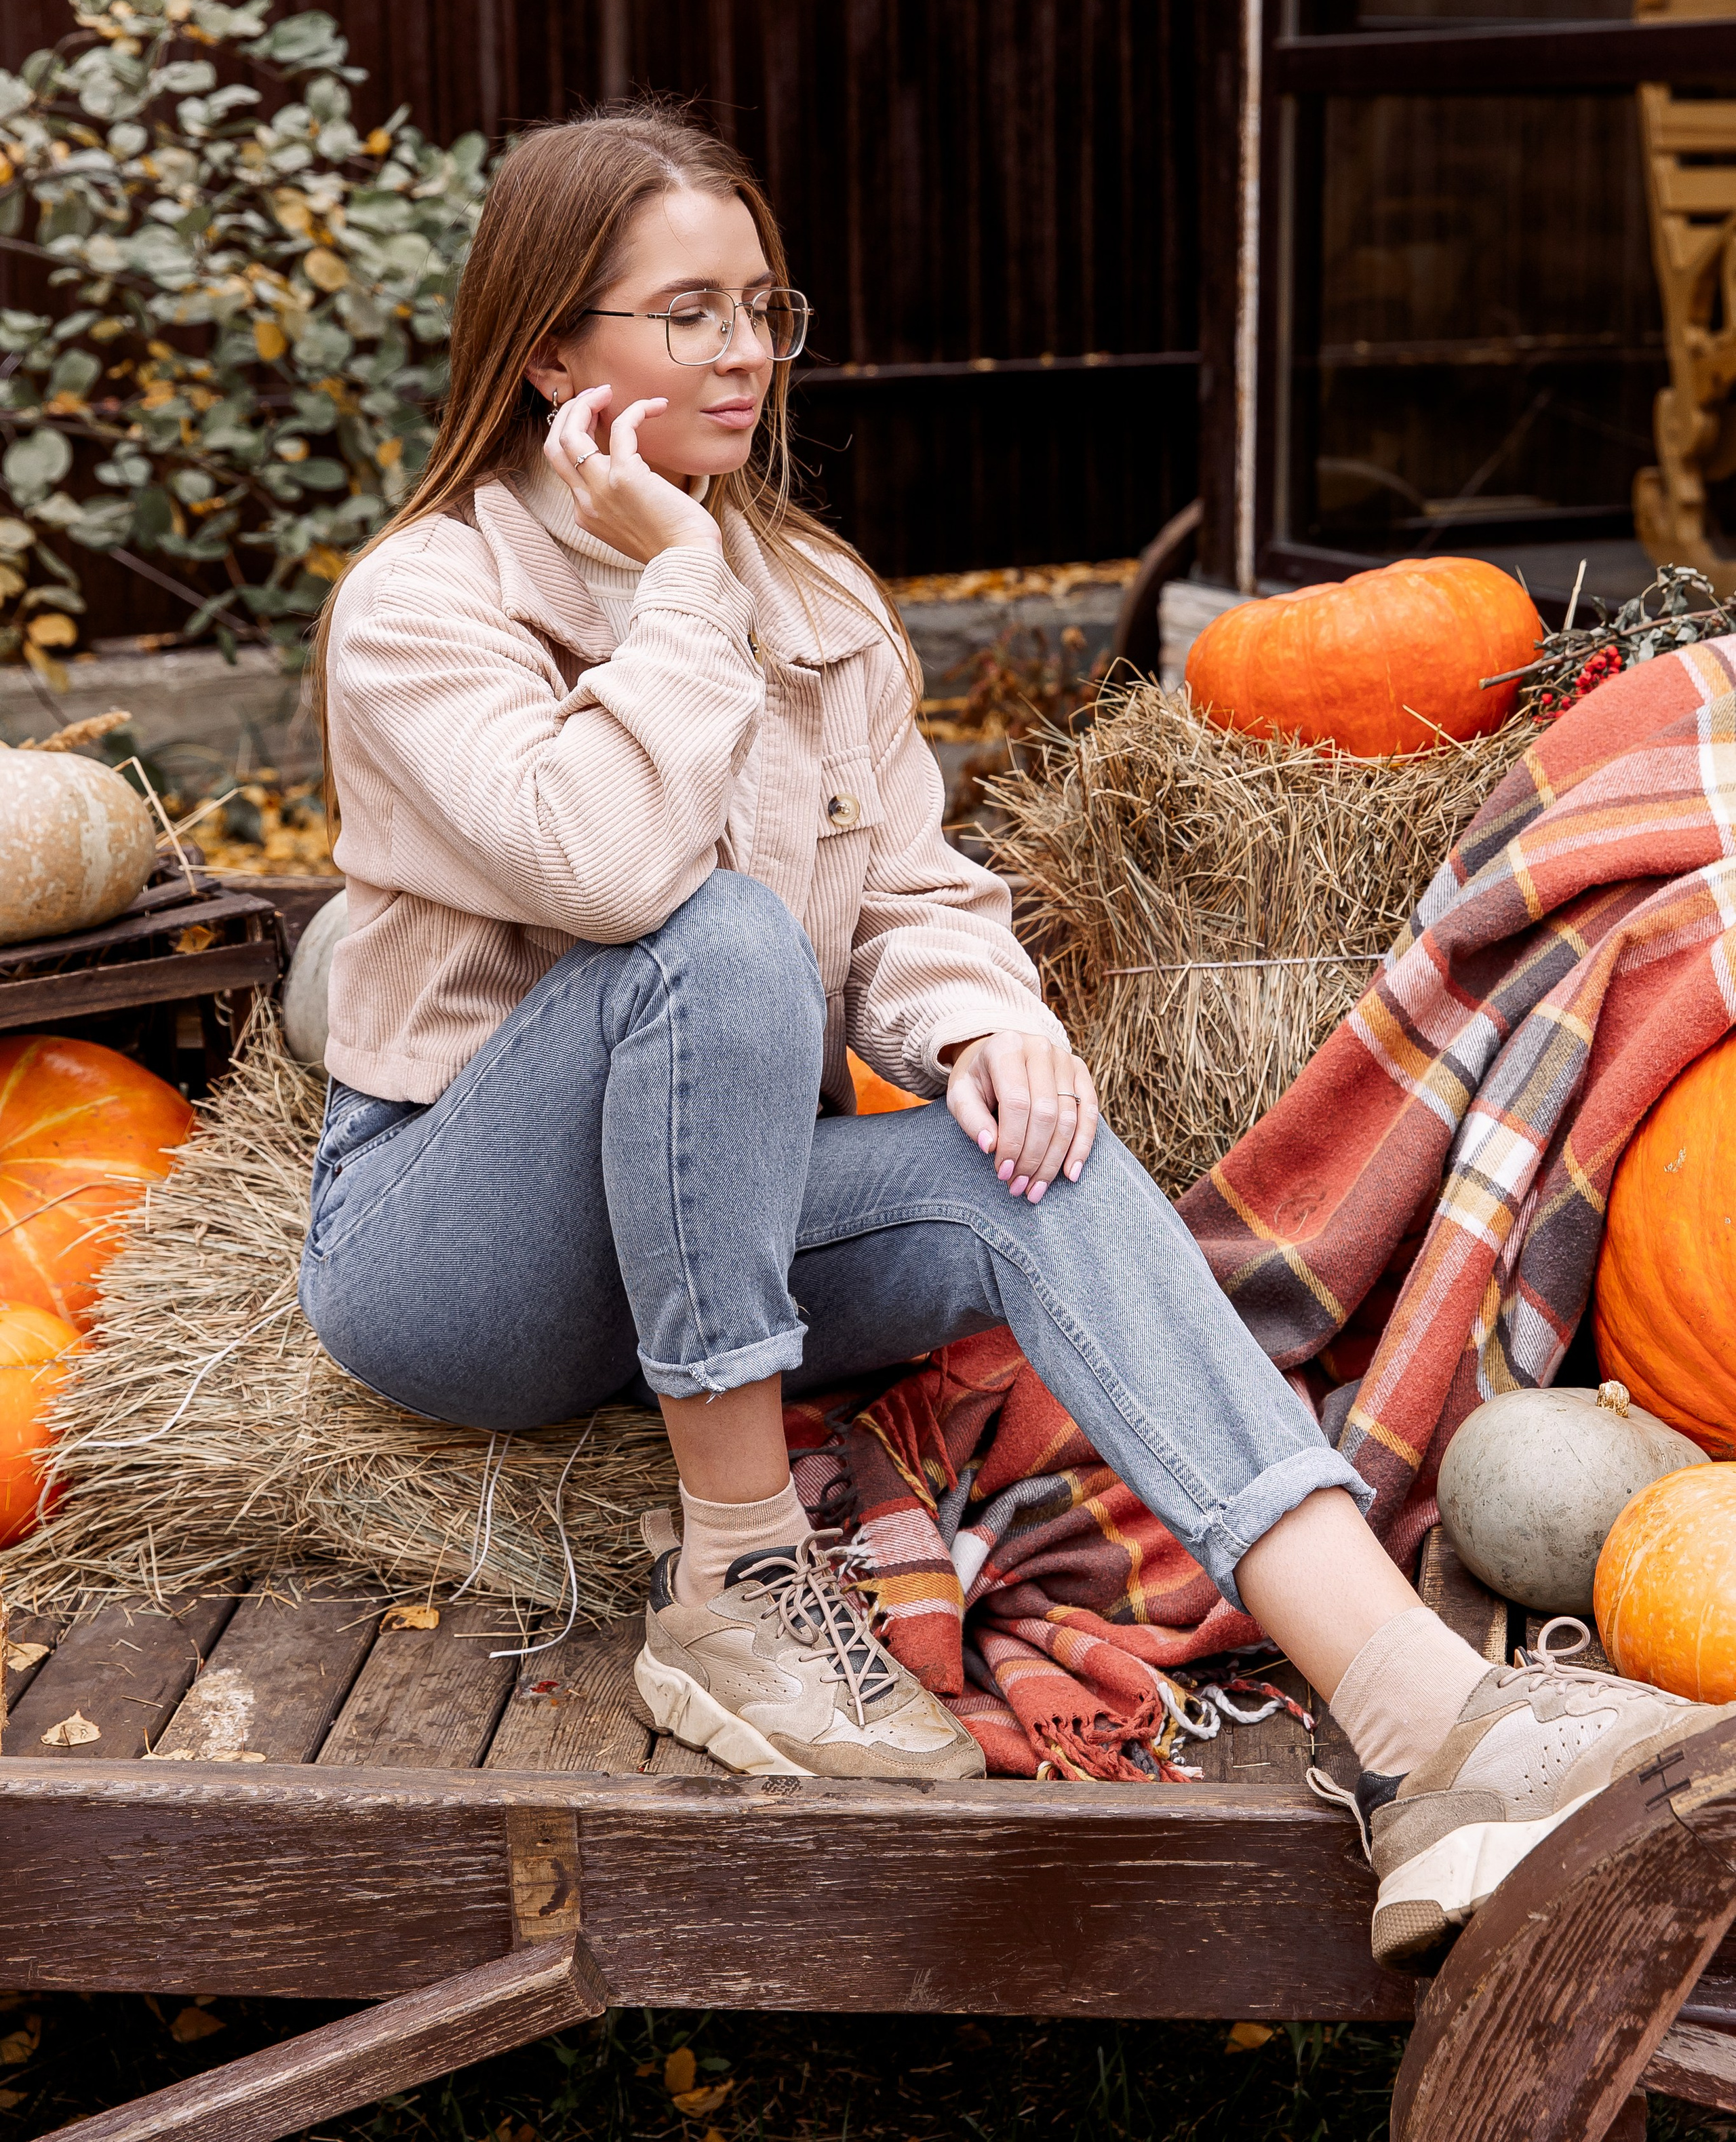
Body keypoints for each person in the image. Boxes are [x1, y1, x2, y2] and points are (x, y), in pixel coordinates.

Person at [302, 106, 1731, 1969]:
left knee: (1026, 1160)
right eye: (686, 314)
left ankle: (1423, 1725)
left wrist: (986, 1030)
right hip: (456, 1254)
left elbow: (910, 894)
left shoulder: (811, 595)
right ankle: (737, 1585)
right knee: (719, 934)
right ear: (552, 351)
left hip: (717, 1210)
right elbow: (616, 871)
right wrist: (677, 594)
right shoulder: (425, 602)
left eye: (764, 307)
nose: (743, 353)